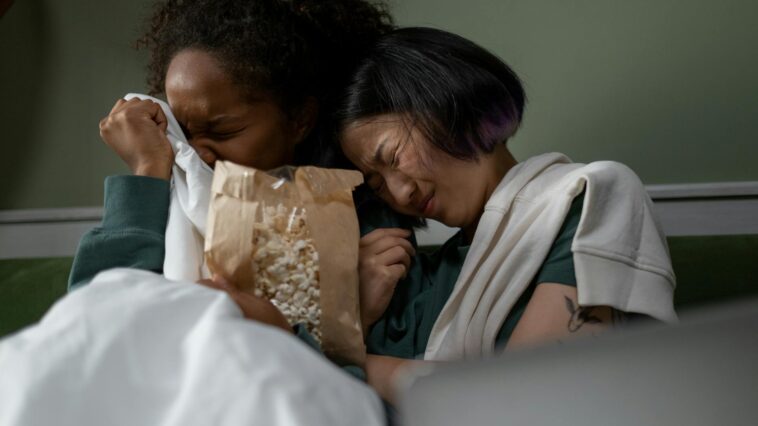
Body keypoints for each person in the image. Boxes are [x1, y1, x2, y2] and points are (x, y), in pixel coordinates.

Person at [66, 0, 413, 375]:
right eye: (183, 130)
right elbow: (87, 332)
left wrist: (344, 316)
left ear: (300, 119)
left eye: (222, 131)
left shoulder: (367, 233)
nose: (197, 151)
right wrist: (148, 170)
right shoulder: (169, 203)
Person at [337, 27, 677, 403]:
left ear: (447, 105)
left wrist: (346, 366)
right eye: (378, 182)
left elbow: (525, 396)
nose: (400, 192)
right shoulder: (418, 277)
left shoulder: (588, 195)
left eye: (394, 158)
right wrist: (357, 315)